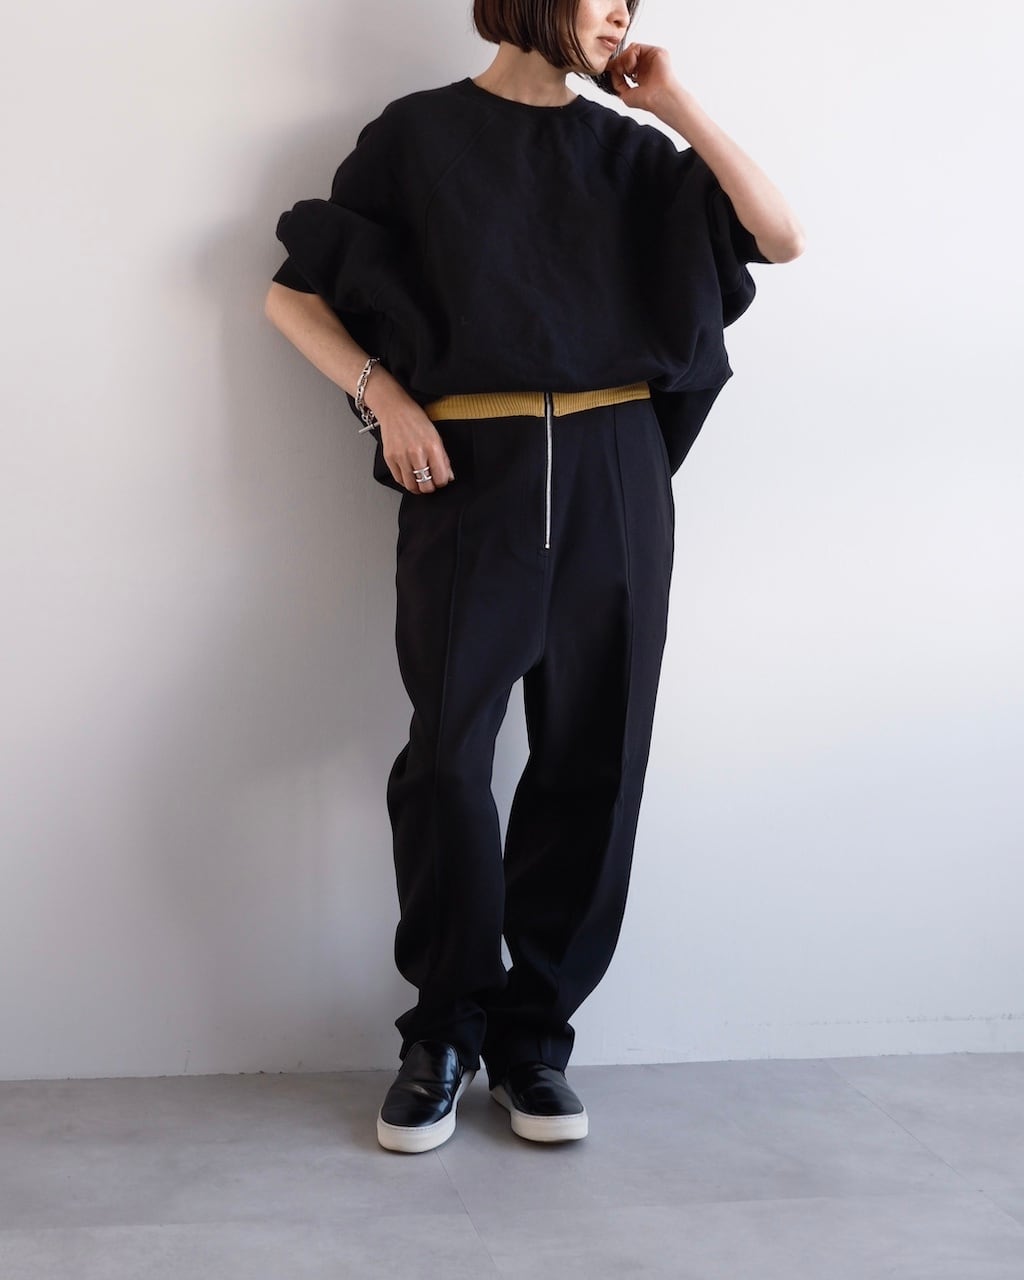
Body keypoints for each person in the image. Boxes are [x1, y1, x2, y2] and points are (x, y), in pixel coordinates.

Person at [265, 0, 805, 1154]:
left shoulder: (633, 153)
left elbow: (781, 235)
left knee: (595, 756)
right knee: (448, 756)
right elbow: (290, 293)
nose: (618, 12)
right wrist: (384, 397)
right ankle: (442, 1031)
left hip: (616, 469)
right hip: (471, 469)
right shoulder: (415, 138)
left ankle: (533, 1039)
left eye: (630, 1)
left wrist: (675, 102)